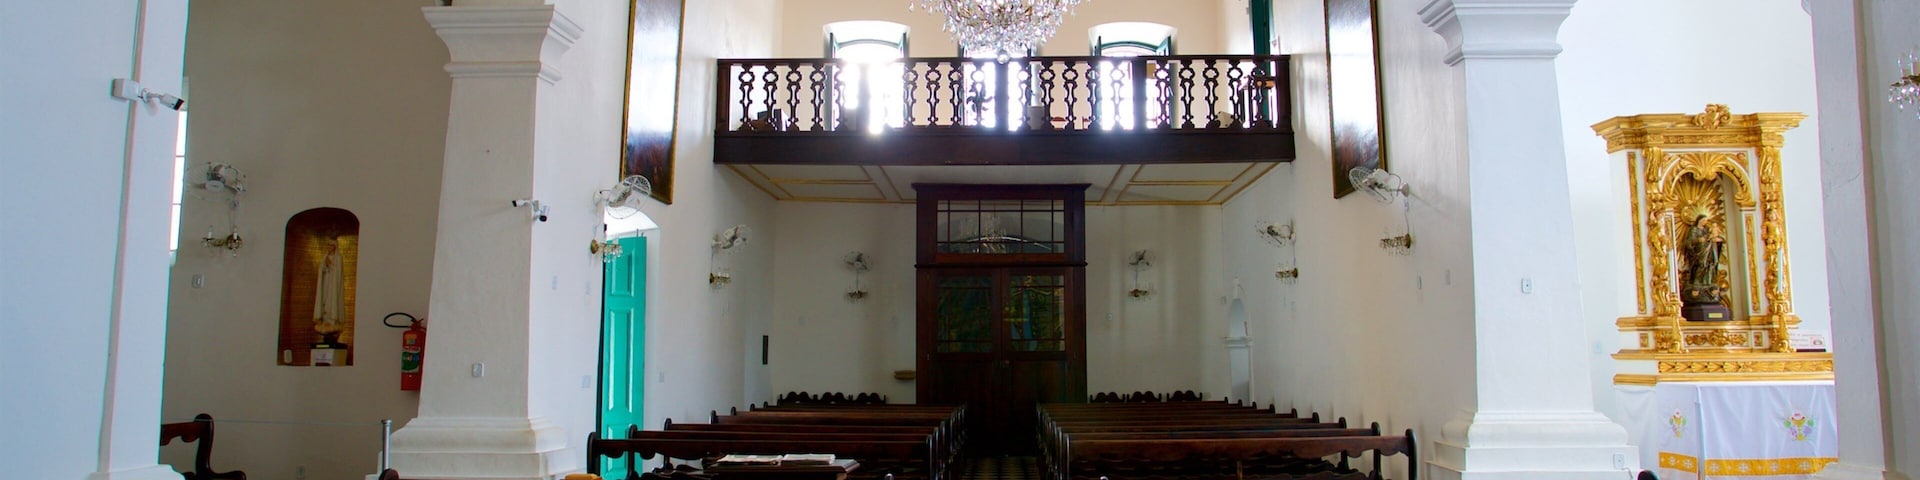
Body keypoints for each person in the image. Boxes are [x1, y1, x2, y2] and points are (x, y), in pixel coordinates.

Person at [1681, 214, 1725, 302]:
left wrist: (1715, 240)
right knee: (1701, 265)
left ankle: (1707, 281)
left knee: (1710, 265)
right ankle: (1696, 281)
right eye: (1704, 220)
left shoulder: (1706, 230)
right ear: (1699, 220)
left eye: (1706, 220)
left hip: (1709, 250)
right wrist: (1699, 240)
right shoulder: (1694, 230)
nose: (1705, 222)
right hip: (1699, 252)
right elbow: (1689, 242)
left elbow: (1712, 237)